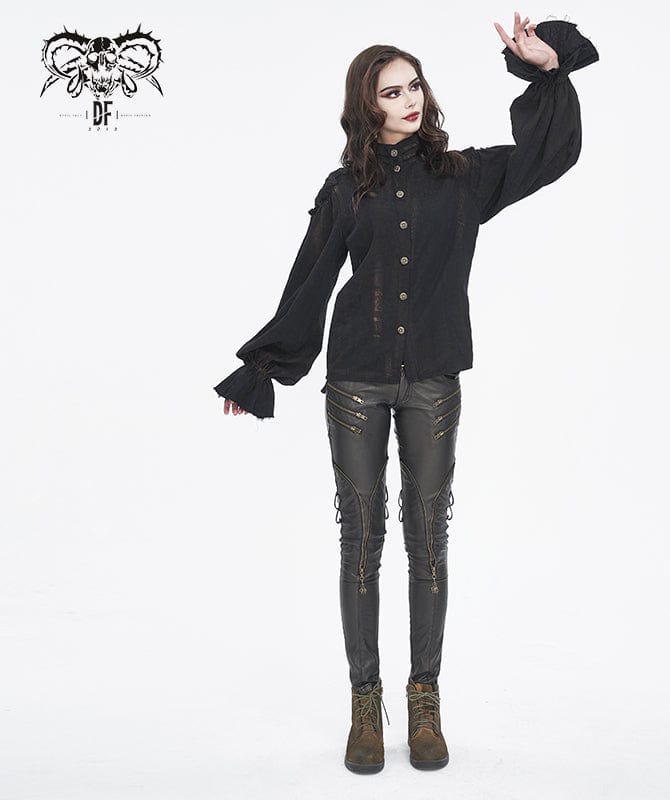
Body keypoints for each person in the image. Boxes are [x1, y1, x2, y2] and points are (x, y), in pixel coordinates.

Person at [213, 11, 599, 774]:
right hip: (355, 381)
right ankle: (366, 703)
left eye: (414, 85)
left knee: (428, 541)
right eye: (391, 92)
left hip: (433, 380)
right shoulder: (344, 190)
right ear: (368, 105)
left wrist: (549, 70)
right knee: (361, 543)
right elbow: (311, 280)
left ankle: (426, 703)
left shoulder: (464, 176)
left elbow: (551, 155)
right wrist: (264, 367)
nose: (409, 100)